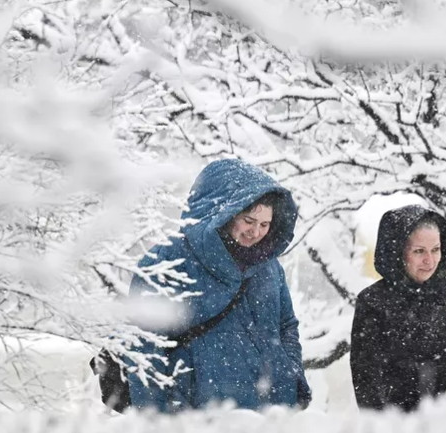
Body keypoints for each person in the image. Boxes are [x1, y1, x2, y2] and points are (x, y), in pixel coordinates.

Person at [127, 159, 311, 412]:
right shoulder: (165, 262)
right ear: (222, 214)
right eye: (248, 220)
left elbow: (286, 325)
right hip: (198, 416)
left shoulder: (269, 266)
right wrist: (155, 419)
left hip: (271, 413)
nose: (256, 232)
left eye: (265, 224)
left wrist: (290, 372)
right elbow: (145, 349)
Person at [349, 204, 446, 418]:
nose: (430, 260)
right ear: (398, 252)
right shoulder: (373, 302)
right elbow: (368, 386)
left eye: (435, 249)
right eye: (419, 251)